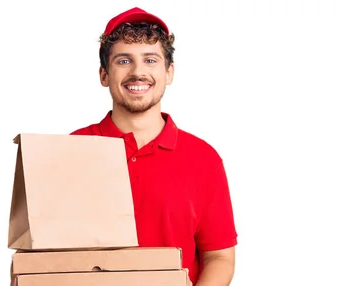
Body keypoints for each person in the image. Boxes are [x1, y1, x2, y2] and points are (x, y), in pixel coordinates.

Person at [69, 7, 238, 286]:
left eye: (150, 60)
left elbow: (219, 257)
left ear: (169, 72)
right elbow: (40, 251)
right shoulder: (71, 150)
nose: (138, 72)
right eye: (124, 61)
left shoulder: (203, 159)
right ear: (103, 75)